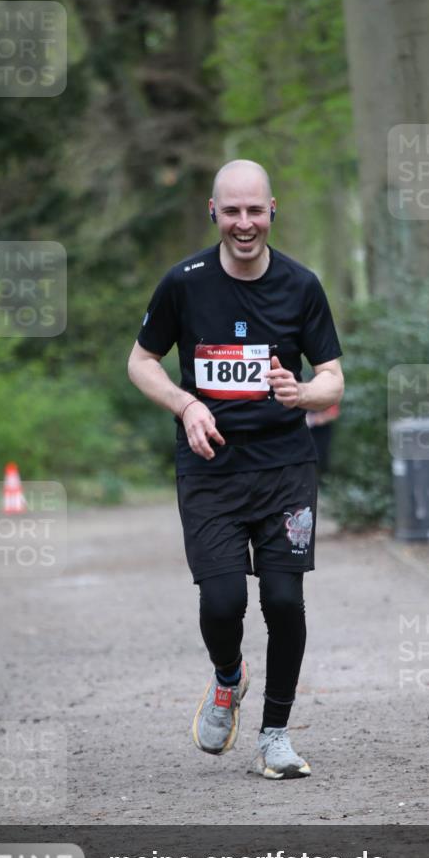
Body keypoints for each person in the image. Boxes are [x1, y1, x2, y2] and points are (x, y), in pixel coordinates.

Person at [127, 159, 343, 779]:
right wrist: (186, 402)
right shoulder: (184, 283)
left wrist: (304, 393)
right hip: (210, 470)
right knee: (223, 603)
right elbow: (141, 361)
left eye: (255, 210)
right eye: (232, 211)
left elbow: (333, 378)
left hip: (284, 469)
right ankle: (228, 679)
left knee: (282, 598)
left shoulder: (302, 285)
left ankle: (275, 735)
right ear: (213, 213)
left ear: (272, 209)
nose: (244, 223)